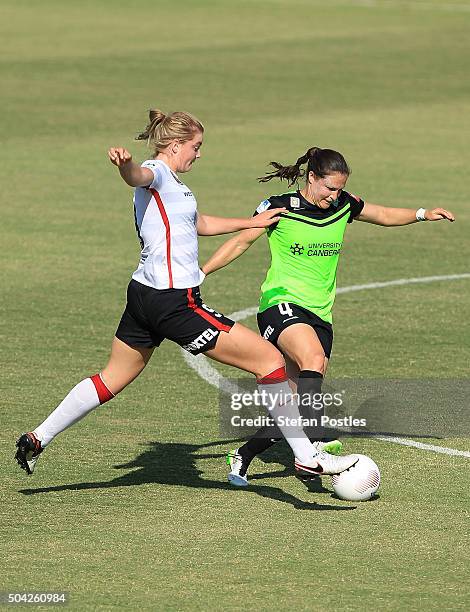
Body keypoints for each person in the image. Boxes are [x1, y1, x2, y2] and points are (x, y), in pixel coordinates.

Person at [15, 111, 361, 480]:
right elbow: (139, 176)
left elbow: (199, 224)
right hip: (175, 302)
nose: (198, 154)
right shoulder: (157, 172)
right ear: (176, 145)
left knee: (111, 378)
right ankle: (307, 455)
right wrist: (126, 166)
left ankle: (37, 438)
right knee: (269, 360)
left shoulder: (176, 189)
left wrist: (254, 222)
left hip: (143, 296)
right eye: (195, 147)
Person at [202, 146, 455, 486]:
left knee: (291, 405)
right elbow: (240, 242)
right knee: (314, 359)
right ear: (312, 178)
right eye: (329, 188)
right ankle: (316, 444)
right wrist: (202, 273)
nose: (335, 196)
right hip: (281, 303)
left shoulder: (343, 205)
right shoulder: (279, 207)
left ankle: (243, 455)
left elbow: (381, 214)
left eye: (339, 190)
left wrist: (423, 213)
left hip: (321, 313)